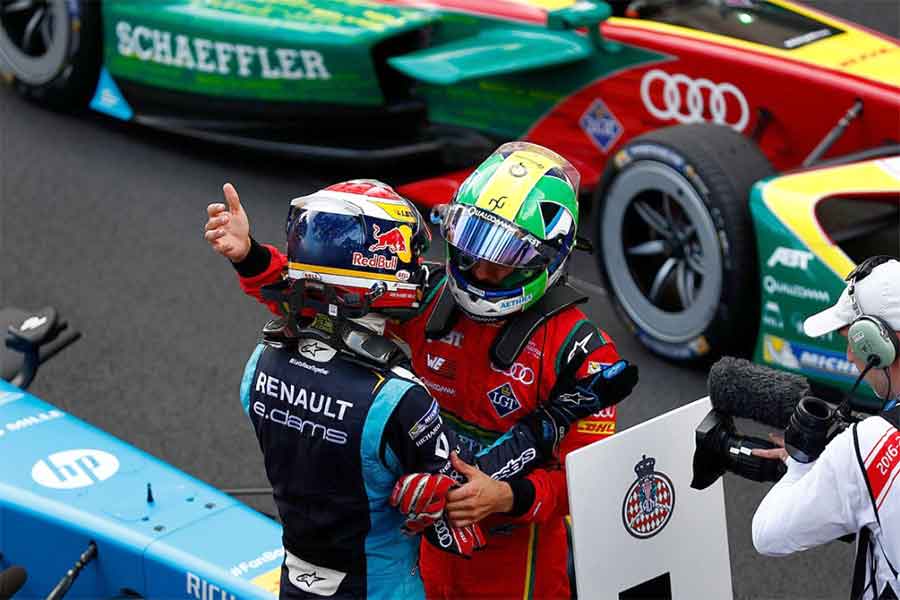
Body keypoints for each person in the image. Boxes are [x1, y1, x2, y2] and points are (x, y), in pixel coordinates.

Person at [207, 143, 636, 599]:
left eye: (502, 261)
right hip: (420, 550)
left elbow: (594, 480)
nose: (482, 272)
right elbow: (325, 296)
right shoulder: (426, 296)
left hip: (515, 565)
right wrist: (250, 256)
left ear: (549, 258)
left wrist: (508, 498)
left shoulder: (582, 352)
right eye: (471, 249)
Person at [752, 256, 900, 600]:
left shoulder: (869, 446)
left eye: (852, 340)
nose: (850, 355)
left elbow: (767, 534)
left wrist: (801, 463)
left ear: (877, 344)